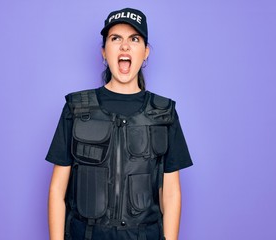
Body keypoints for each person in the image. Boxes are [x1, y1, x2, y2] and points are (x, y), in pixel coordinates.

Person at [46, 7, 193, 240]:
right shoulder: (76, 108)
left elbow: (171, 193)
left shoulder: (163, 113)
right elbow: (56, 190)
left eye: (134, 39)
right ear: (104, 52)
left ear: (145, 52)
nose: (125, 46)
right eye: (116, 38)